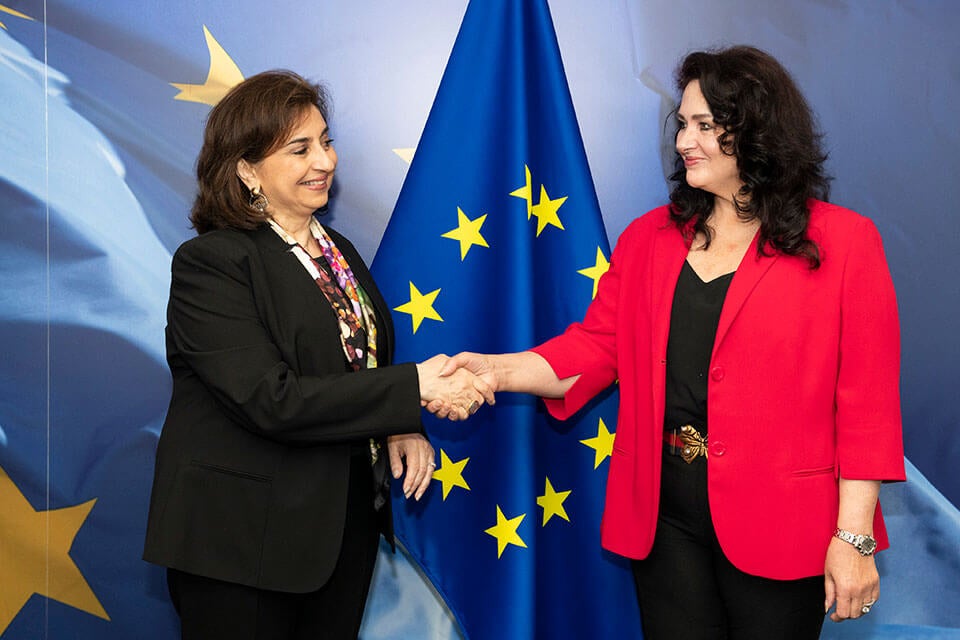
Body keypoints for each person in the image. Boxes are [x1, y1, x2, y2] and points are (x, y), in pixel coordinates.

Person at [436, 46, 905, 639]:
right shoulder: (647, 241)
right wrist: (494, 372)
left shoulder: (845, 244)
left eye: (706, 125)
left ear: (759, 130)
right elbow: (595, 350)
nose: (685, 139)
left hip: (785, 527)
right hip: (665, 520)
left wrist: (854, 537)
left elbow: (867, 409)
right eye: (683, 123)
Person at [143, 70, 492, 640]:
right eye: (300, 148)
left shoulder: (340, 253)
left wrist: (399, 426)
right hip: (240, 546)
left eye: (326, 142)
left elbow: (354, 369)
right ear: (246, 170)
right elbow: (270, 398)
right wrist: (415, 390)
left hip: (339, 535)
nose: (324, 161)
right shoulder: (211, 263)